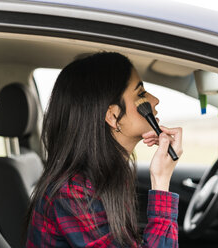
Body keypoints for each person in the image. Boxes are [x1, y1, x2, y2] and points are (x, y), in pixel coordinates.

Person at [26, 52, 183, 248]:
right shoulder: (73, 194)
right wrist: (161, 180)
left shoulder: (106, 176)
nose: (155, 100)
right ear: (113, 116)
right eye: (141, 94)